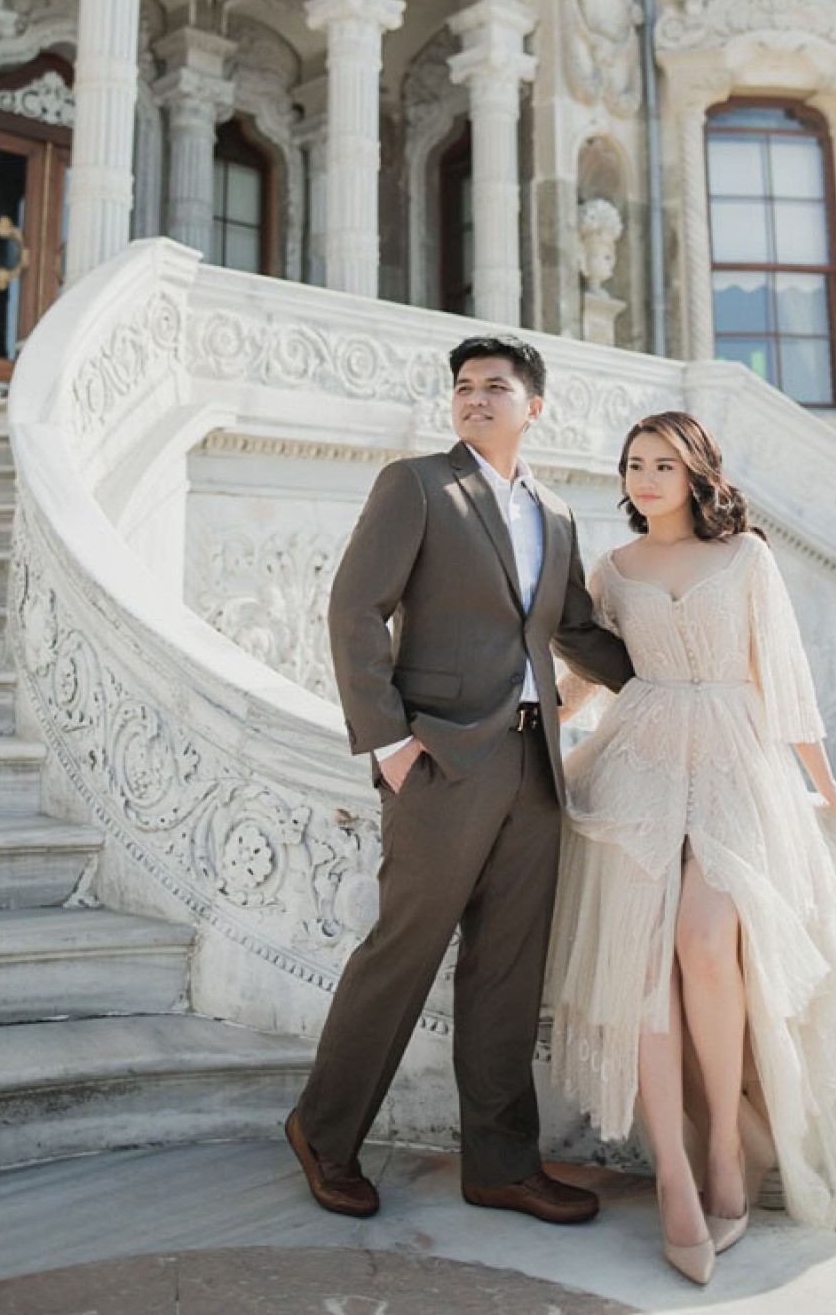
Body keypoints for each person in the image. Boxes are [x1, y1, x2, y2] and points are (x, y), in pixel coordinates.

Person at [546, 411, 836, 1285]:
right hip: (638, 762)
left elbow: (785, 677)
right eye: (634, 463)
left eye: (663, 464)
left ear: (697, 473)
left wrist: (829, 786)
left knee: (706, 941)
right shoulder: (614, 569)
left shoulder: (746, 557)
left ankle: (723, 1151)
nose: (645, 478)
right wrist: (515, 722)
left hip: (734, 765)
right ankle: (674, 1171)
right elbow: (588, 677)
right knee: (640, 965)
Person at [286, 334, 635, 1227]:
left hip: (533, 762)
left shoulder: (555, 513)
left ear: (534, 406)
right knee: (402, 952)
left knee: (507, 972)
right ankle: (324, 1134)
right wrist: (389, 744)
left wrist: (674, 671)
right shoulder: (416, 486)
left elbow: (575, 631)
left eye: (495, 386)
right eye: (464, 386)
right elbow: (354, 609)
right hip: (441, 762)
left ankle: (502, 1166)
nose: (476, 397)